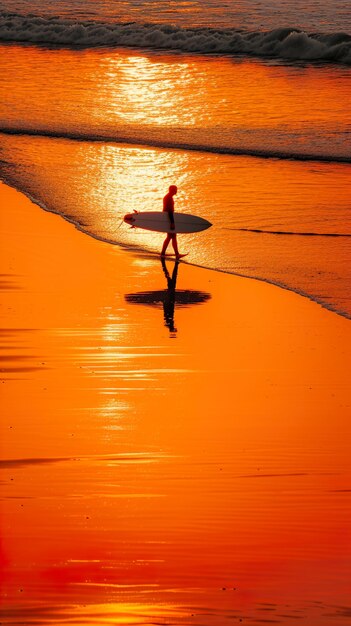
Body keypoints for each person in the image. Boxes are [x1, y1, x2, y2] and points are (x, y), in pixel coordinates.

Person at [160, 185, 185, 259]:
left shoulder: (167, 197)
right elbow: (170, 211)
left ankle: (165, 253)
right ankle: (174, 254)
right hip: (169, 219)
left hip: (167, 219)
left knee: (171, 237)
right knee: (171, 236)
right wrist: (172, 223)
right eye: (175, 189)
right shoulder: (169, 198)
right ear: (172, 190)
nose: (176, 191)